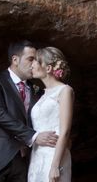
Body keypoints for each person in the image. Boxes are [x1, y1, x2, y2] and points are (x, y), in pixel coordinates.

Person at [0, 40, 59, 181]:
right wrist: (34, 136)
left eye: (36, 60)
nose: (34, 64)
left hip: (23, 163)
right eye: (30, 59)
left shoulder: (36, 89)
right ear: (15, 60)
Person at [28, 47, 74, 182]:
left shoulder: (65, 90)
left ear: (48, 68)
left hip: (54, 156)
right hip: (37, 156)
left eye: (36, 61)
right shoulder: (42, 94)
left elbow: (65, 131)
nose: (32, 64)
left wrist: (55, 166)